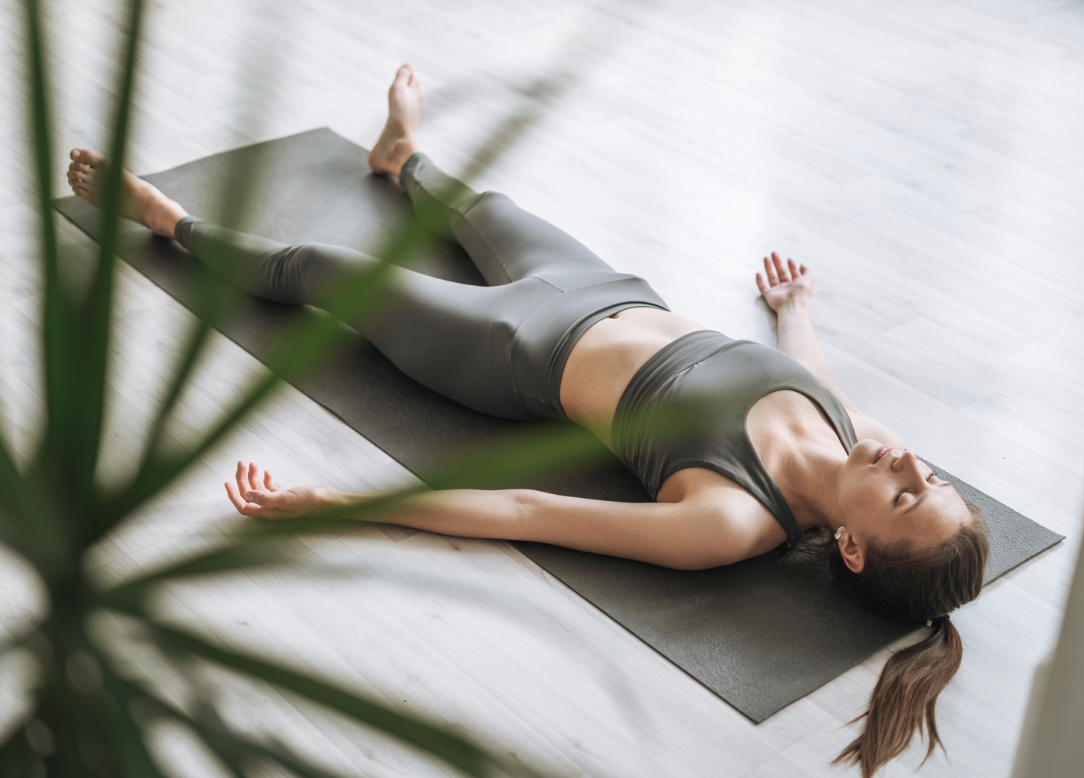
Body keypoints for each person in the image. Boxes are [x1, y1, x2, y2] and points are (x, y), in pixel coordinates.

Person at [67, 63, 989, 778]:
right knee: (484, 208)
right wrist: (794, 310)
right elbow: (810, 370)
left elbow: (521, 512)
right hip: (610, 289)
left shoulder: (731, 520)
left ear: (856, 550)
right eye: (931, 476)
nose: (908, 461)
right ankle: (401, 156)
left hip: (512, 349)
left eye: (905, 497)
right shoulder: (849, 426)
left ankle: (169, 223)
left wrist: (337, 503)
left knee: (323, 269)